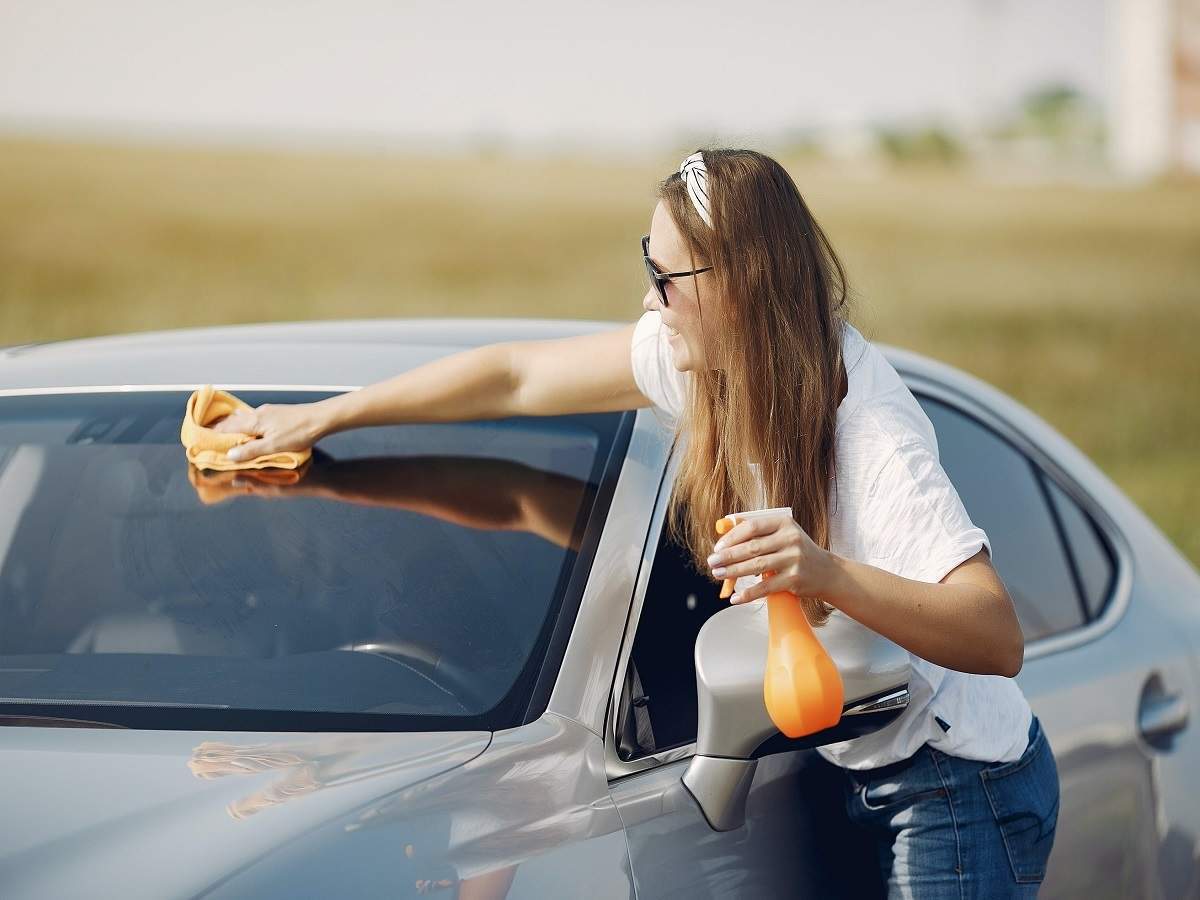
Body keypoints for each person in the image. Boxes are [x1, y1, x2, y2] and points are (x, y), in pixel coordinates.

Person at [213, 147, 1061, 897]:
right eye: (647, 267)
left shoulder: (869, 432)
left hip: (959, 789)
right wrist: (322, 418)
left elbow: (994, 635)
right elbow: (511, 378)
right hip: (851, 768)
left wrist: (823, 572)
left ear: (738, 287)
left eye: (668, 279)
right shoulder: (704, 362)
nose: (650, 301)